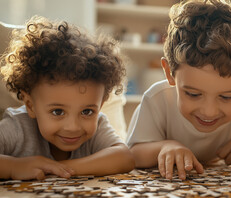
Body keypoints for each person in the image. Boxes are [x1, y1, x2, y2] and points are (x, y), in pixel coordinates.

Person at [127, 0, 231, 180]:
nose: (209, 111)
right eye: (193, 94)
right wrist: (165, 147)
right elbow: (132, 154)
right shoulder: (157, 99)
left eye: (226, 97)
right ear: (169, 73)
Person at [0, 16, 134, 180]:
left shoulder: (98, 125)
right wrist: (14, 167)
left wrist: (59, 169)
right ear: (30, 105)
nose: (73, 127)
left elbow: (124, 157)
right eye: (57, 112)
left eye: (87, 111)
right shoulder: (17, 127)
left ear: (101, 104)